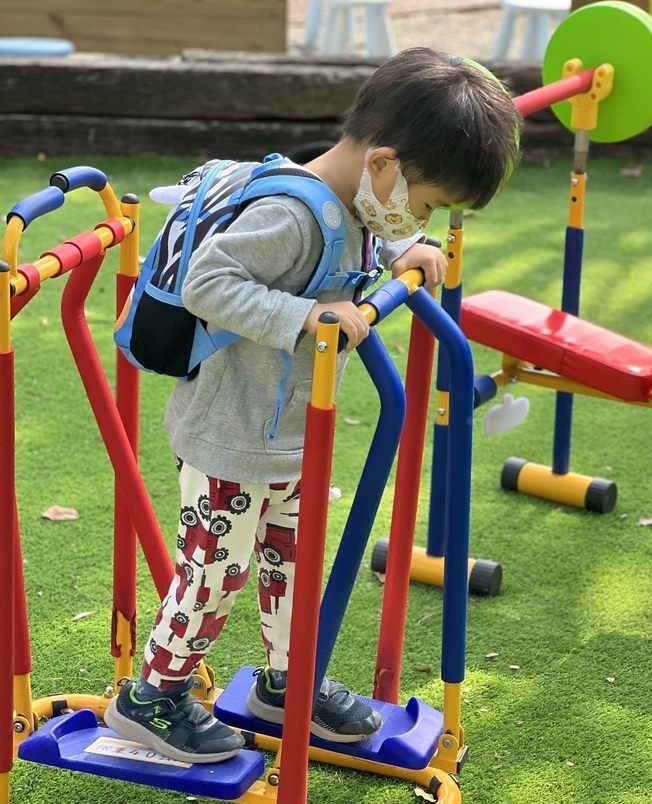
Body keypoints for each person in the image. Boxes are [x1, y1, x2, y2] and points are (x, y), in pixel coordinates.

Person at [105, 47, 522, 763]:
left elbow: (356, 246)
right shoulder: (294, 214)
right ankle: (152, 697)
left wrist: (404, 249)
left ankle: (288, 681)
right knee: (216, 570)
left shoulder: (356, 201)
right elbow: (211, 281)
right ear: (385, 166)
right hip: (231, 436)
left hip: (290, 431)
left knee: (293, 565)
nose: (418, 216)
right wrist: (302, 318)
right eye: (425, 205)